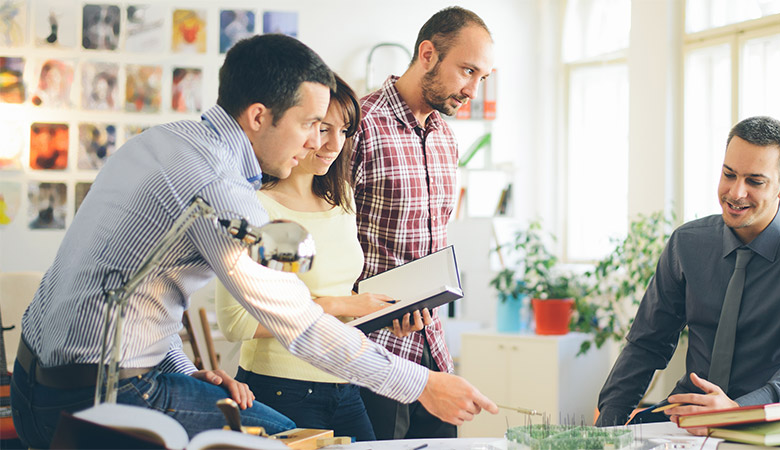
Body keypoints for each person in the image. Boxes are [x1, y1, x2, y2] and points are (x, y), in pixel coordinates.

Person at [12, 33, 496, 450]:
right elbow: (298, 326)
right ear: (259, 116)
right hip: (98, 396)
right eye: (309, 124)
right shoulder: (221, 190)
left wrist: (182, 369)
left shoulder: (160, 142)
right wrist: (421, 383)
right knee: (297, 440)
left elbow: (139, 288)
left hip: (32, 383)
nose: (316, 143)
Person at [595, 116, 780, 433]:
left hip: (771, 421)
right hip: (688, 417)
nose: (735, 192)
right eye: (729, 174)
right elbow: (647, 343)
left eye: (755, 181)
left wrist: (738, 410)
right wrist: (607, 426)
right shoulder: (687, 243)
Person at [215, 74, 429, 441]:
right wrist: (339, 304)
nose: (333, 144)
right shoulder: (255, 206)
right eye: (323, 129)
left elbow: (342, 299)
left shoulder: (342, 198)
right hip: (281, 387)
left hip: (344, 380)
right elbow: (235, 324)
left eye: (344, 131)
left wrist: (382, 314)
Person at [349, 6, 494, 440]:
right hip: (374, 357)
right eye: (466, 71)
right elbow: (327, 245)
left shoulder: (445, 136)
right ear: (427, 53)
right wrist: (370, 305)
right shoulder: (358, 126)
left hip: (433, 349)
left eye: (481, 78)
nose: (472, 89)